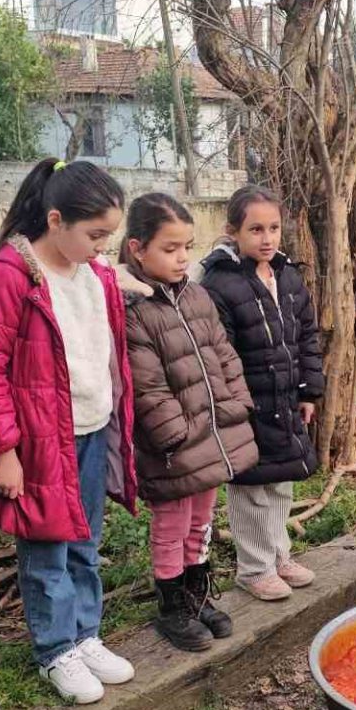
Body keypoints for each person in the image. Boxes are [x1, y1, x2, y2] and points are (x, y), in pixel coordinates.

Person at [0, 158, 140, 705]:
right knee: (47, 548)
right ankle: (55, 649)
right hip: (40, 442)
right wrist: (3, 450)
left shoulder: (94, 273)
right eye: (95, 235)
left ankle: (86, 634)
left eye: (108, 236)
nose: (102, 247)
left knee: (86, 539)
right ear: (56, 219)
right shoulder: (9, 277)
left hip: (91, 429)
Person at [120, 193, 259, 651]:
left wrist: (237, 405)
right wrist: (176, 437)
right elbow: (147, 387)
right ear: (138, 249)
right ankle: (173, 606)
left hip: (212, 436)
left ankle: (197, 596)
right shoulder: (133, 309)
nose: (182, 258)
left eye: (187, 247)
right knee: (171, 524)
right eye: (170, 248)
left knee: (201, 520)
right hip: (174, 446)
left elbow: (224, 355)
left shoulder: (196, 295)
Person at [200, 186, 324, 601]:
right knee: (250, 487)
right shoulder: (219, 284)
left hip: (285, 400)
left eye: (273, 228)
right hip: (247, 406)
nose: (267, 238)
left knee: (280, 482)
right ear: (233, 231)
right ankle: (253, 569)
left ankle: (278, 557)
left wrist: (308, 391)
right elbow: (219, 355)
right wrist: (235, 406)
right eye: (255, 229)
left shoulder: (287, 276)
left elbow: (307, 336)